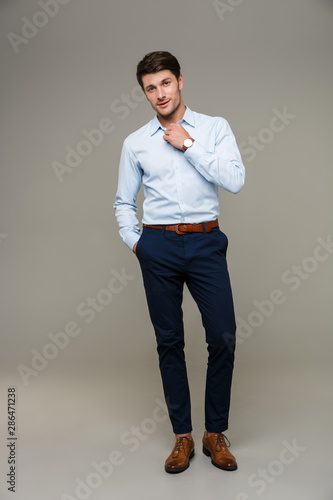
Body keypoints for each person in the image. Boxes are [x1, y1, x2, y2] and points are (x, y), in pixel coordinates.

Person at [114, 51, 245, 474]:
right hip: (159, 246)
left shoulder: (214, 128)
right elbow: (122, 202)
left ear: (181, 81)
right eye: (150, 88)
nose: (159, 94)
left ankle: (215, 433)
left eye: (165, 83)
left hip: (206, 243)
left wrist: (187, 144)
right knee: (169, 341)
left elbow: (235, 180)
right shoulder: (135, 142)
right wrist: (138, 244)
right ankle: (183, 437)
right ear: (145, 93)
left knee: (223, 335)